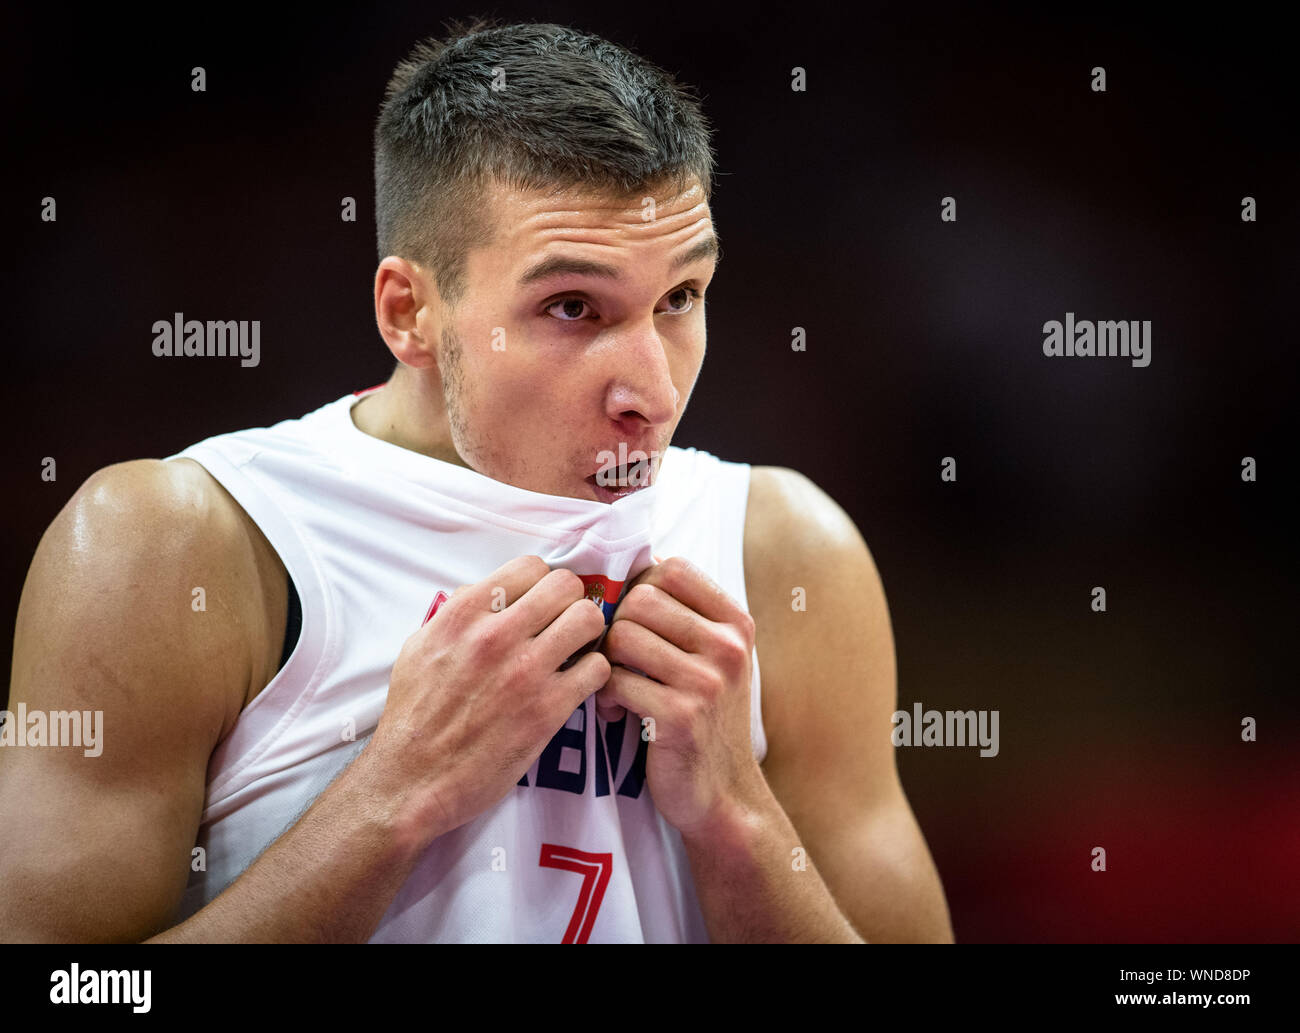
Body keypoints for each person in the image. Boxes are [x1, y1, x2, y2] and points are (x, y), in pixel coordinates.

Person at [0, 19, 953, 943]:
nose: (654, 394)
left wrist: (739, 820)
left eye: (679, 298)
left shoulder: (785, 550)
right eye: (572, 306)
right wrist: (390, 797)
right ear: (409, 311)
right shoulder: (181, 544)